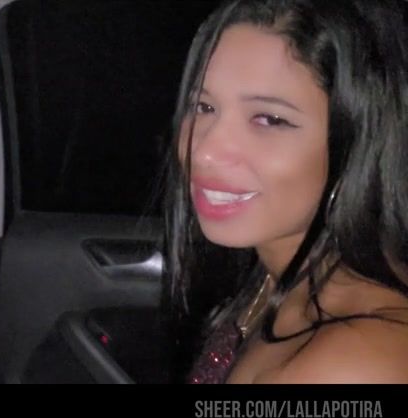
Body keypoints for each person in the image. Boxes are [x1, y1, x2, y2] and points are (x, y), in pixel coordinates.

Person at [164, 0, 408, 383]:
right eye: (203, 106)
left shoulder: (353, 364)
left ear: (356, 144)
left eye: (269, 119)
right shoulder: (280, 271)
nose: (204, 151)